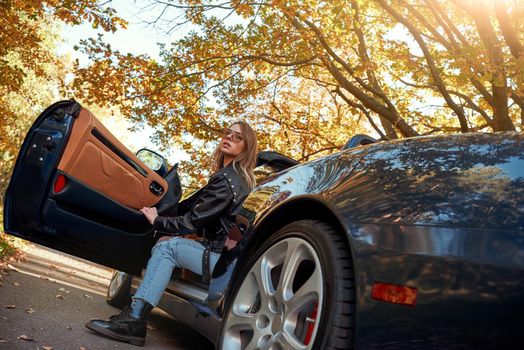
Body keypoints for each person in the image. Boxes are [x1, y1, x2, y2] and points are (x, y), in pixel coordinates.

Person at [85, 121, 258, 346]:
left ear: (247, 147)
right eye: (228, 133)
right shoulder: (236, 179)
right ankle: (134, 316)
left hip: (219, 260)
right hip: (226, 259)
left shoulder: (227, 180)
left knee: (167, 248)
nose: (228, 138)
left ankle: (134, 320)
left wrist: (157, 220)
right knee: (170, 242)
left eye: (237, 138)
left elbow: (194, 221)